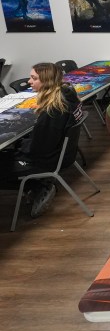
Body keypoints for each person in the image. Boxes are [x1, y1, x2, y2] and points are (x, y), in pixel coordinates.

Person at [0, 63, 83, 218]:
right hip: (63, 154)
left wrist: (18, 146)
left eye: (34, 78)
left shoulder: (53, 110)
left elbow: (37, 148)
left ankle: (37, 185)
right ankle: (36, 186)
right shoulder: (68, 96)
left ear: (47, 81)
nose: (30, 81)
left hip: (47, 160)